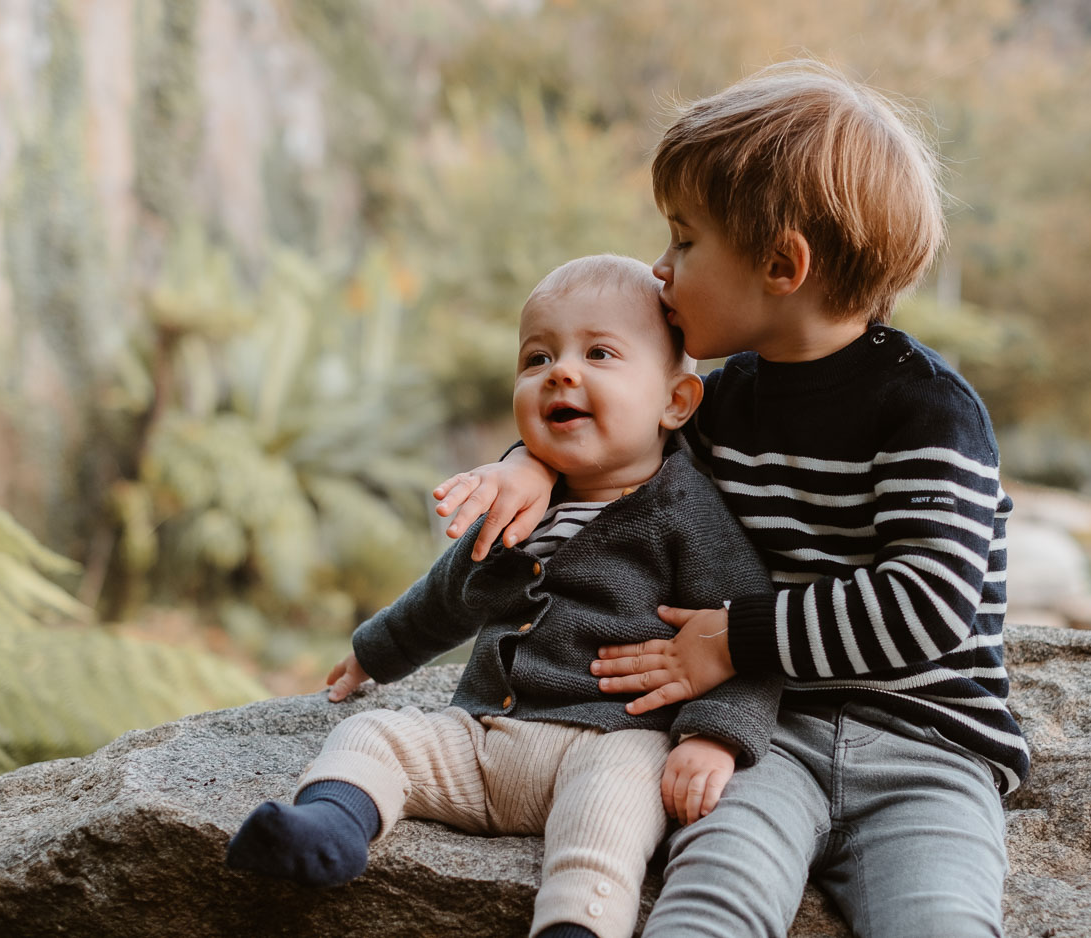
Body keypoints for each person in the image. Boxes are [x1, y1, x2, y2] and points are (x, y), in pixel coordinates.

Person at [433, 61, 1027, 938]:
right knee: (706, 907)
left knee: (940, 921)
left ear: (782, 265)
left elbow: (927, 604)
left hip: (927, 751)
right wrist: (530, 465)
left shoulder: (927, 409)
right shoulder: (720, 400)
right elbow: (617, 451)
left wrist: (732, 638)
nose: (658, 268)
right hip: (758, 740)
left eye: (684, 241)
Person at [226, 254, 781, 938]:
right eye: (536, 357)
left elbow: (746, 632)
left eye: (600, 353)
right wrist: (373, 654)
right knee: (375, 733)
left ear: (675, 400)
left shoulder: (688, 514)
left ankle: (574, 927)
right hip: (484, 736)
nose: (562, 372)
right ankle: (331, 827)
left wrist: (714, 738)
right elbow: (446, 596)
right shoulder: (518, 501)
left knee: (614, 813)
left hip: (610, 741)